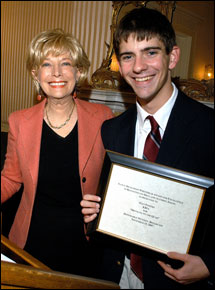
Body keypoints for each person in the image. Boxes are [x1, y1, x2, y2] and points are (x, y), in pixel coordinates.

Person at [80, 7, 214, 289]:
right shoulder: (113, 130)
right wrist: (97, 214)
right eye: (128, 56)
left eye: (150, 52)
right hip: (117, 275)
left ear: (173, 56)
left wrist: (209, 264)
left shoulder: (208, 128)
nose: (138, 66)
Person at [1, 28, 113, 278]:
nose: (56, 73)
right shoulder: (19, 121)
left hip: (85, 246)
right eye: (46, 64)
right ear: (35, 74)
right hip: (32, 242)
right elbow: (10, 179)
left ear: (78, 71)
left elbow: (115, 181)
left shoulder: (103, 118)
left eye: (65, 63)